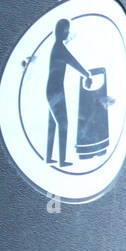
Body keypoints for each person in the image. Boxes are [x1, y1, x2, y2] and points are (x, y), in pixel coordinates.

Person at [46, 19, 92, 166]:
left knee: (52, 124)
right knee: (63, 123)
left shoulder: (57, 47)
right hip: (56, 90)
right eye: (66, 30)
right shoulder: (60, 48)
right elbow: (73, 62)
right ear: (61, 32)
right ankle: (62, 161)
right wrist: (87, 75)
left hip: (52, 89)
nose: (68, 33)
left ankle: (49, 157)